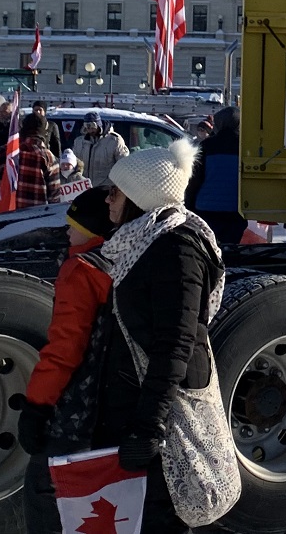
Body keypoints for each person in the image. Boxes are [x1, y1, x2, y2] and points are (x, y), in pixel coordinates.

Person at [98, 137, 223, 534]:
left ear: (139, 195)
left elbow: (175, 345)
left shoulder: (177, 248)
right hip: (138, 404)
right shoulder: (142, 240)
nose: (108, 200)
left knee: (161, 518)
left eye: (114, 191)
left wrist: (149, 426)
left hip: (165, 416)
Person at [18, 187, 116, 533]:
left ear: (90, 229)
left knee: (45, 491)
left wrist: (36, 407)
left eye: (73, 223)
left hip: (75, 412)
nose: (67, 230)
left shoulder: (80, 270)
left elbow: (64, 349)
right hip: (115, 407)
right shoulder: (122, 258)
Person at [185, 105, 245, 245]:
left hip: (206, 209)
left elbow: (195, 179)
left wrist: (189, 206)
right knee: (230, 249)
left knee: (208, 248)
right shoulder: (244, 148)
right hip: (234, 210)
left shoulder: (206, 146)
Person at [0, 113, 61, 209]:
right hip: (33, 219)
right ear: (44, 132)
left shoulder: (3, 152)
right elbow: (54, 198)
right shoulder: (48, 158)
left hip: (4, 215)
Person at [79, 110, 128, 188]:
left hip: (106, 187)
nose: (90, 130)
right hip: (84, 187)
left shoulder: (114, 140)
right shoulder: (80, 142)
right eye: (87, 126)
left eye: (93, 126)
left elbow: (123, 164)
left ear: (98, 125)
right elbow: (74, 164)